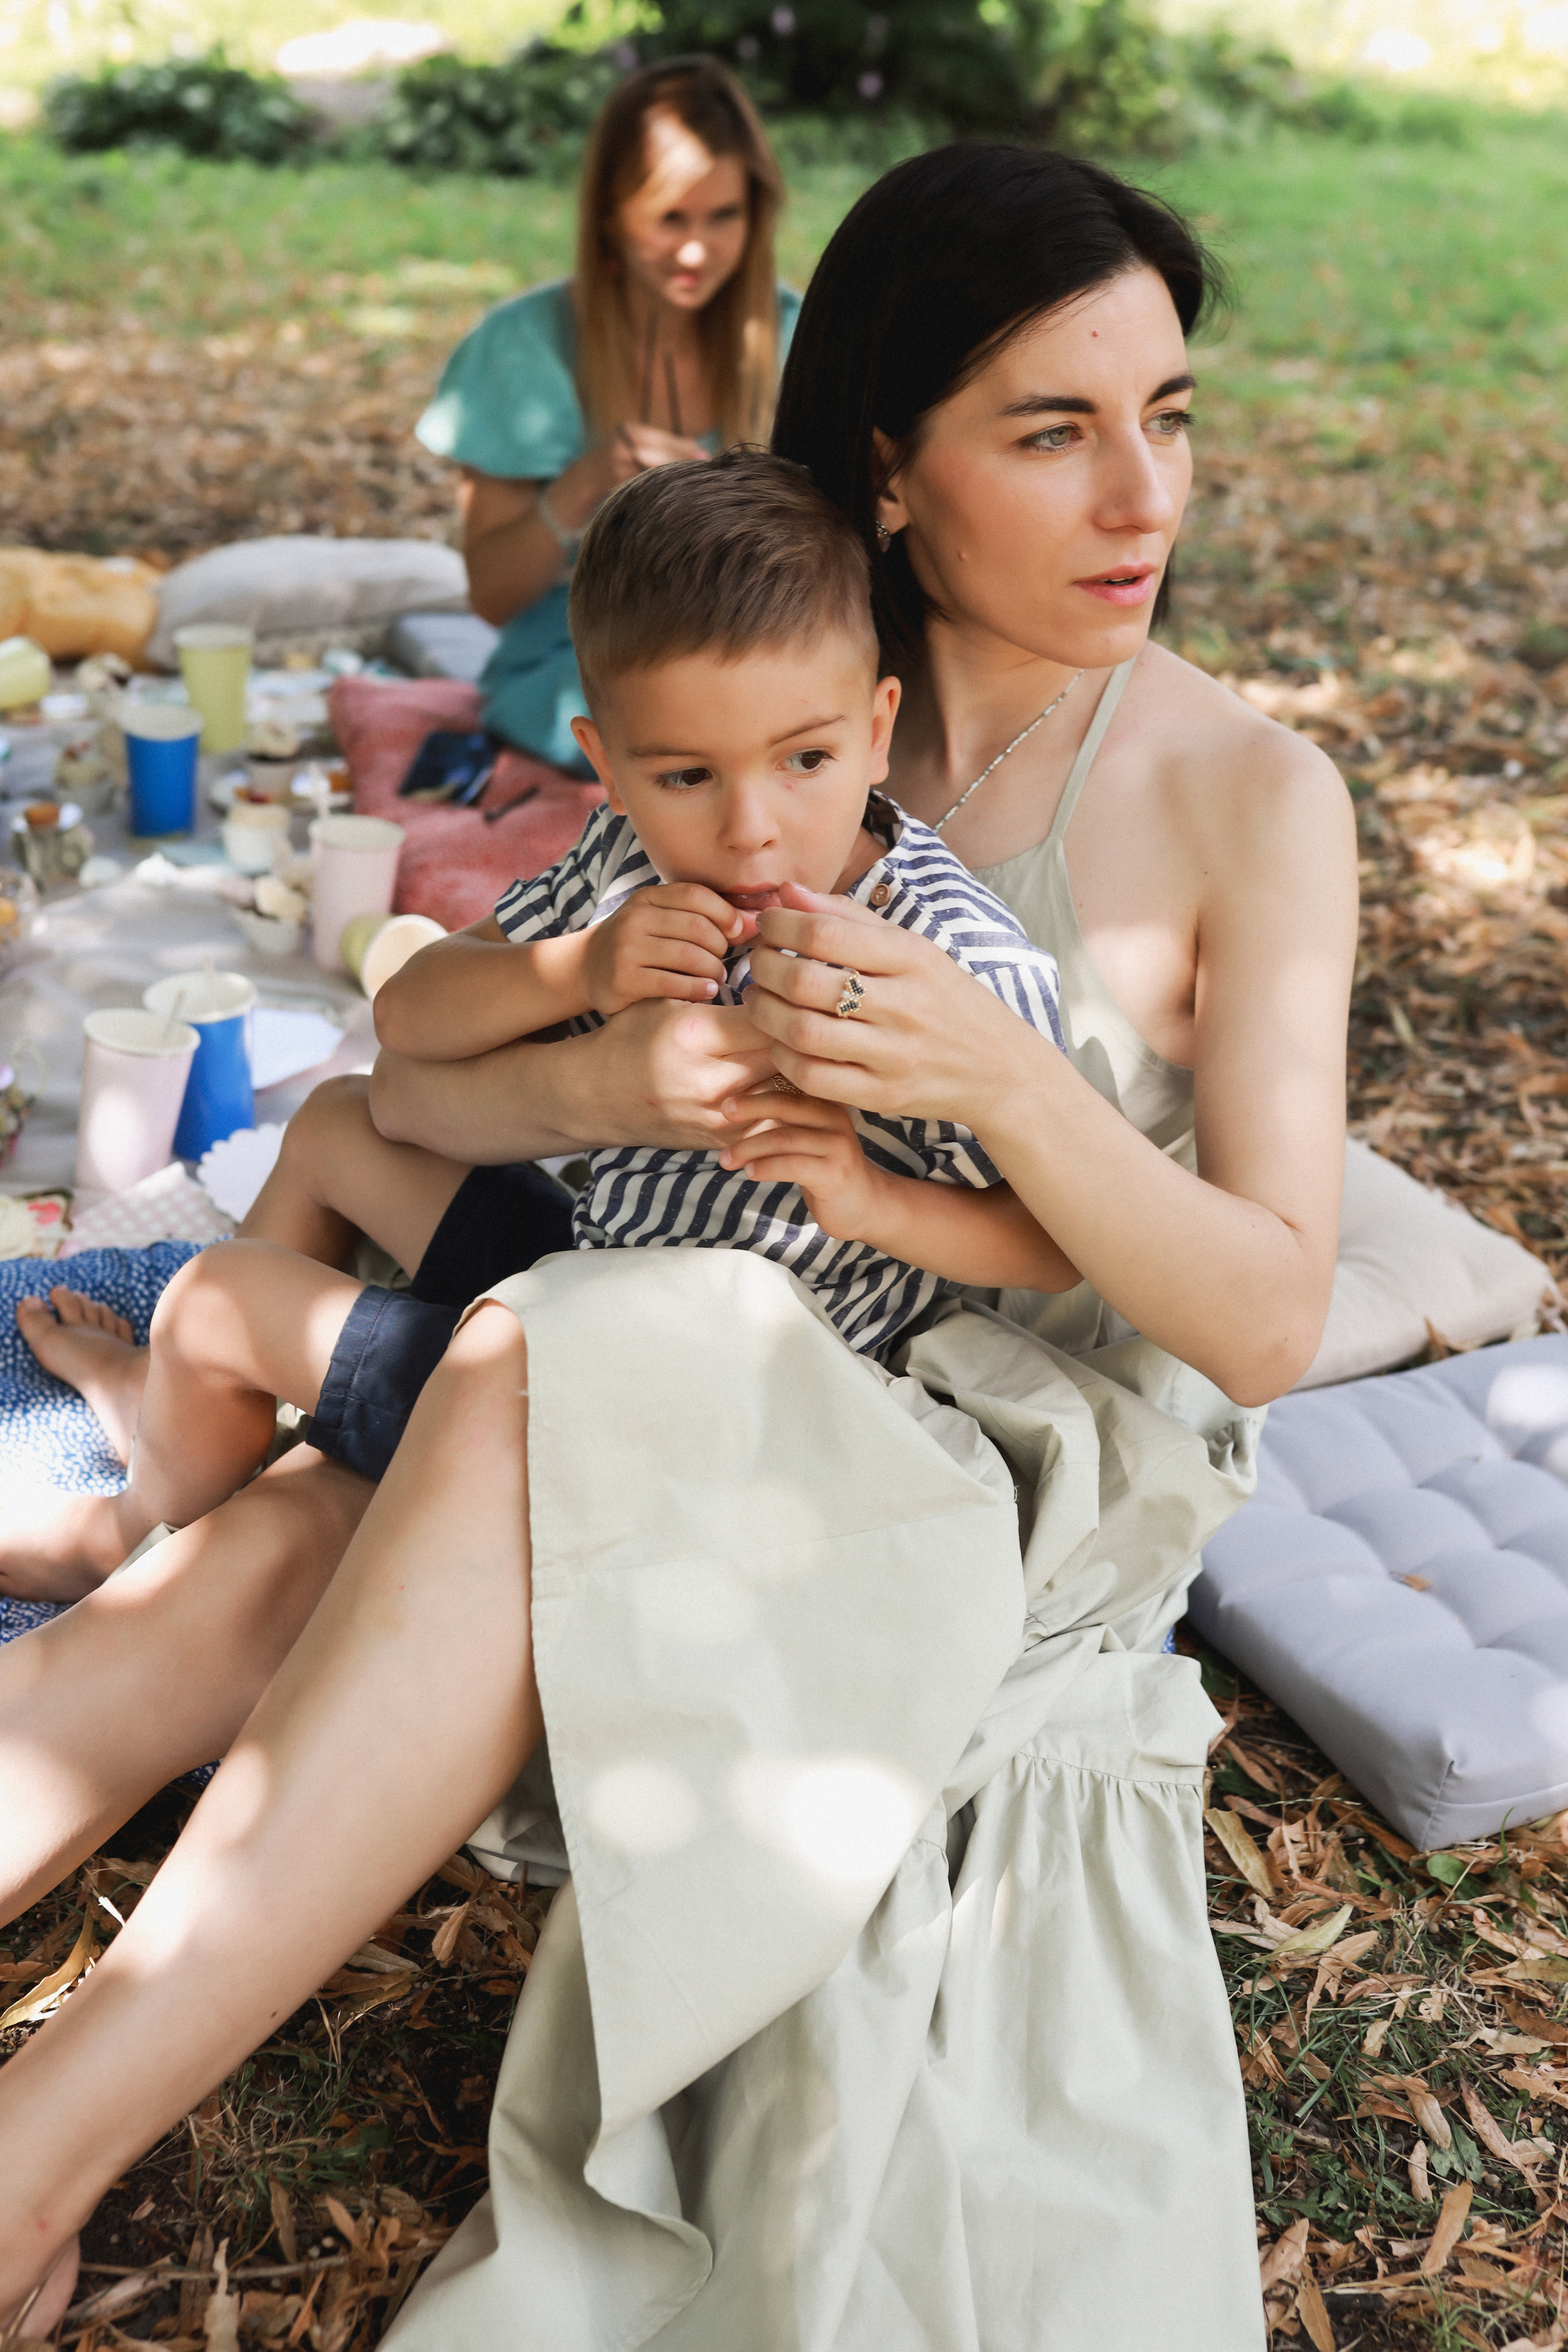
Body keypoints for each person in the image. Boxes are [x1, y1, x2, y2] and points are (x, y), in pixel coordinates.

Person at [0, 145, 1357, 2348]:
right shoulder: (770, 665)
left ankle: (26, 2177)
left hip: (968, 1436)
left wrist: (1005, 1086)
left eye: (1167, 413)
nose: (1141, 496)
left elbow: (1267, 1315)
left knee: (529, 1377)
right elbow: (421, 1083)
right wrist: (608, 1087)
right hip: (621, 1320)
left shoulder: (1245, 801)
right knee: (272, 1547)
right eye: (1052, 427)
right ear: (892, 470)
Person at [1, 453, 1075, 1594]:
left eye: (805, 760)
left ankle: (136, 1527)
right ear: (607, 765)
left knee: (221, 1298)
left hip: (680, 1420)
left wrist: (874, 1200)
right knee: (333, 1123)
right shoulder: (630, 858)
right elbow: (409, 1012)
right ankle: (195, 1422)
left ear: (877, 729)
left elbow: (1055, 1237)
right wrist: (579, 969)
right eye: (687, 777)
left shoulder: (948, 966)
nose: (752, 828)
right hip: (586, 1279)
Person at [417, 53, 796, 771]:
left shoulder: (794, 339)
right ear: (610, 216)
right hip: (580, 673)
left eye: (724, 217)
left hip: (760, 661)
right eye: (670, 219)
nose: (696, 249)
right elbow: (492, 597)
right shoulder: (523, 348)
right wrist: (583, 488)